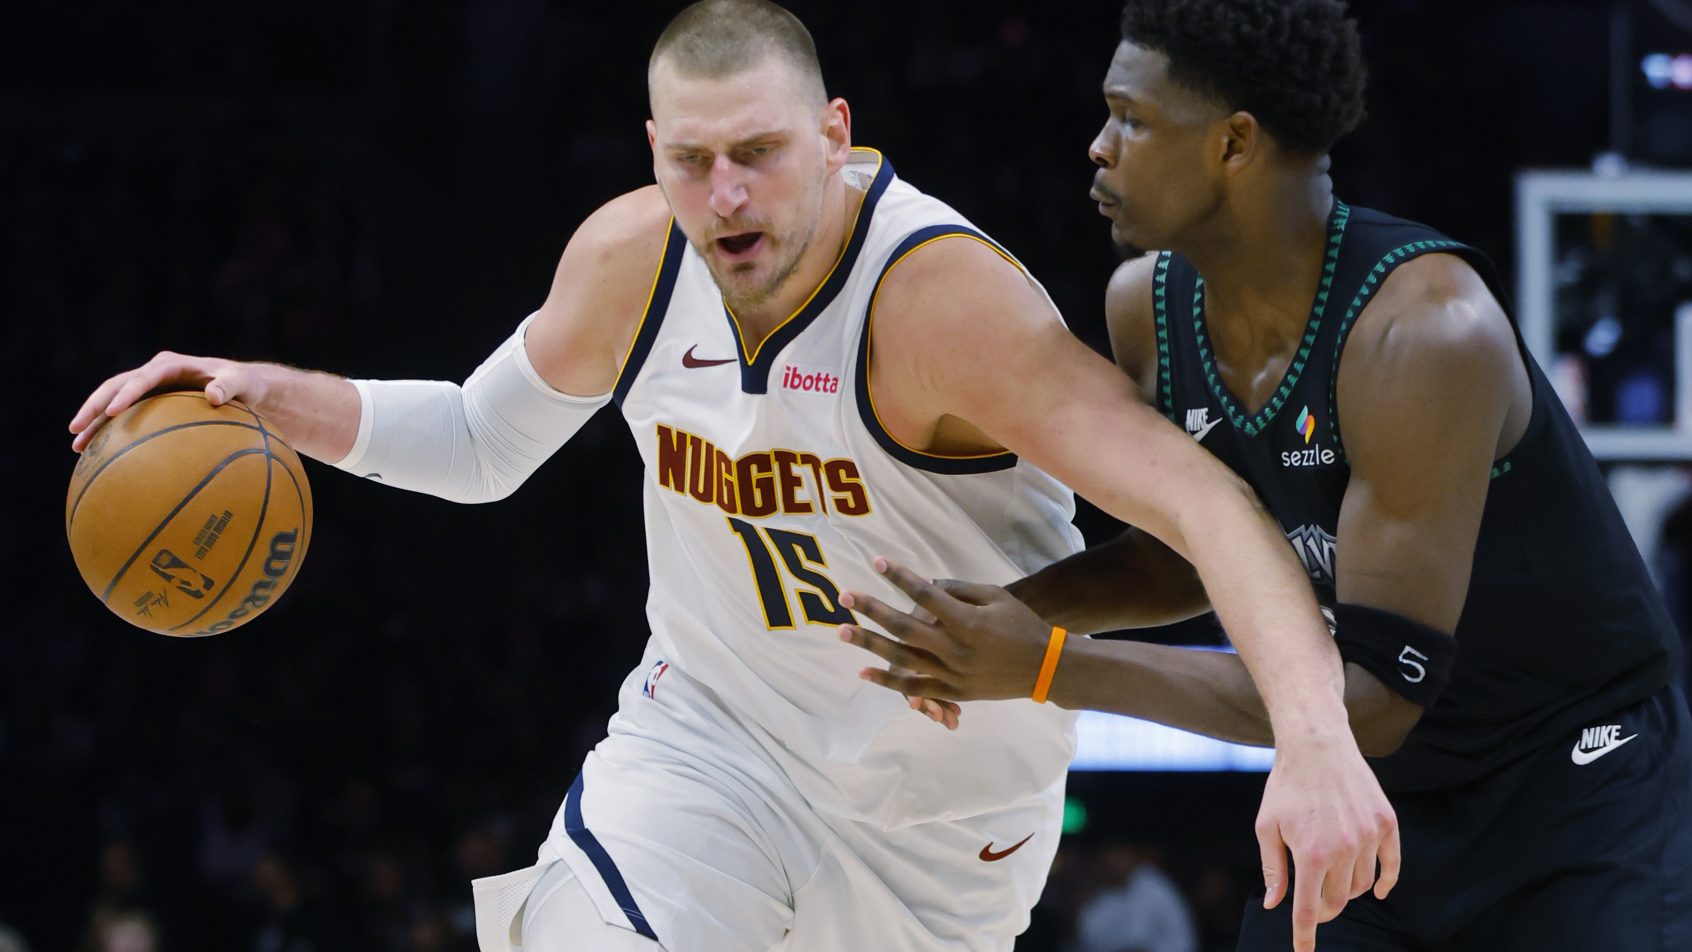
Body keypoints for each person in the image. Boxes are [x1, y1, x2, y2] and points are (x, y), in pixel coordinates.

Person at [67, 2, 1397, 949]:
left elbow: (1204, 502)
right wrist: (267, 396)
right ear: (653, 148)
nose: (726, 197)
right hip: (710, 744)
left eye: (757, 153)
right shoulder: (630, 261)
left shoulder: (940, 303)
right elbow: (478, 441)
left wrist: (1317, 739)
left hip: (942, 806)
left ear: (832, 132)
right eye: (690, 160)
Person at [836, 1, 1692, 950]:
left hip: (1573, 780)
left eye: (1131, 118)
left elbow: (1372, 698)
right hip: (1380, 783)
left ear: (1234, 144)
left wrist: (1045, 667)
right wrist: (997, 621)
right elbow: (1183, 563)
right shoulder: (1146, 308)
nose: (1098, 146)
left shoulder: (1424, 334)